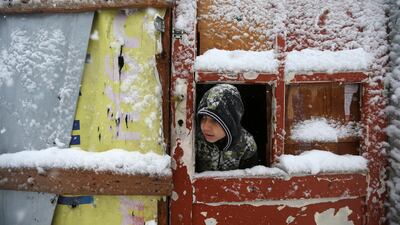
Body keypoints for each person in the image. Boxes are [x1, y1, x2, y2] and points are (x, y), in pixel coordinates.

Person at [195, 84, 258, 172]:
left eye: (214, 120)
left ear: (230, 123)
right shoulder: (195, 140)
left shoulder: (247, 145)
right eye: (203, 118)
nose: (205, 127)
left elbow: (250, 180)